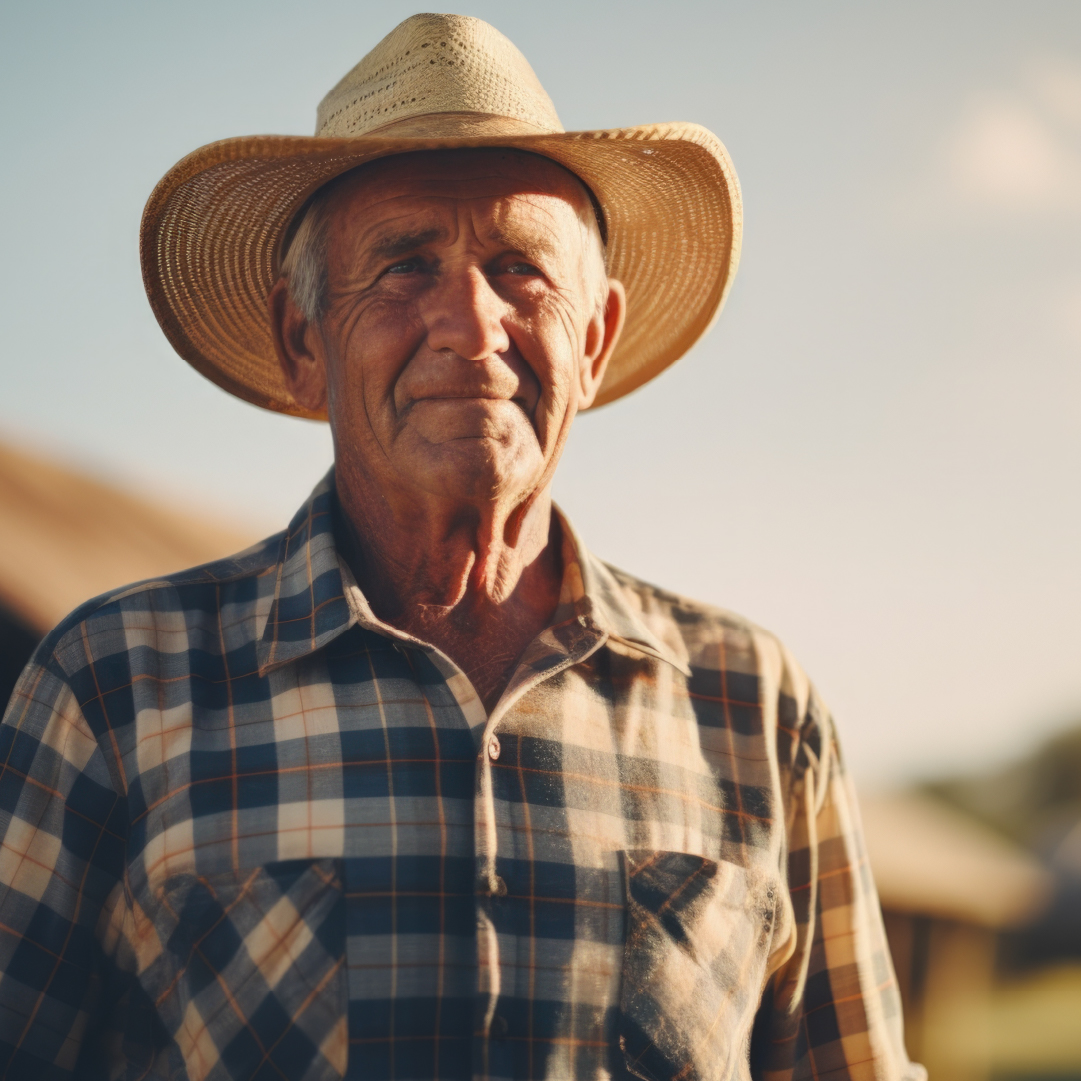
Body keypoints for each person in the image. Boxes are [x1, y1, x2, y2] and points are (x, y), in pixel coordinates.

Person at [0, 14, 924, 1081]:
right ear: (306, 343)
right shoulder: (113, 688)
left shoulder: (753, 704)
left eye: (519, 267)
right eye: (403, 264)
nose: (470, 323)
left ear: (592, 340)